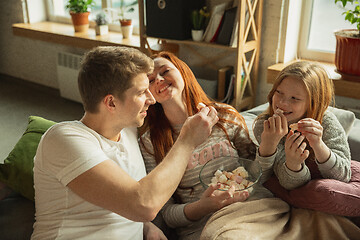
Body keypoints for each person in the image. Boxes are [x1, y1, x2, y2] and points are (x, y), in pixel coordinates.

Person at [31, 46, 219, 240]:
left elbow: (116, 198)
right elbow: (143, 204)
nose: (151, 99)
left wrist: (145, 227)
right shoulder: (64, 139)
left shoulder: (129, 130)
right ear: (111, 103)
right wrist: (187, 141)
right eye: (141, 92)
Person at [139, 51, 261, 240]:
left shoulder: (224, 115)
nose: (159, 80)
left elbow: (257, 168)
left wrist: (268, 148)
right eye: (151, 79)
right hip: (203, 228)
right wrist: (205, 206)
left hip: (246, 211)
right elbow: (167, 215)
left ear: (183, 72)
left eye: (165, 71)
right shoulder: (149, 143)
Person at [253, 61, 359, 216]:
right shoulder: (264, 126)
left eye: (295, 98)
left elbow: (343, 175)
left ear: (313, 103)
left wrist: (318, 145)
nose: (282, 103)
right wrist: (270, 147)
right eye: (279, 92)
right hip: (298, 183)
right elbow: (282, 181)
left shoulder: (327, 122)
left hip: (333, 174)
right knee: (319, 192)